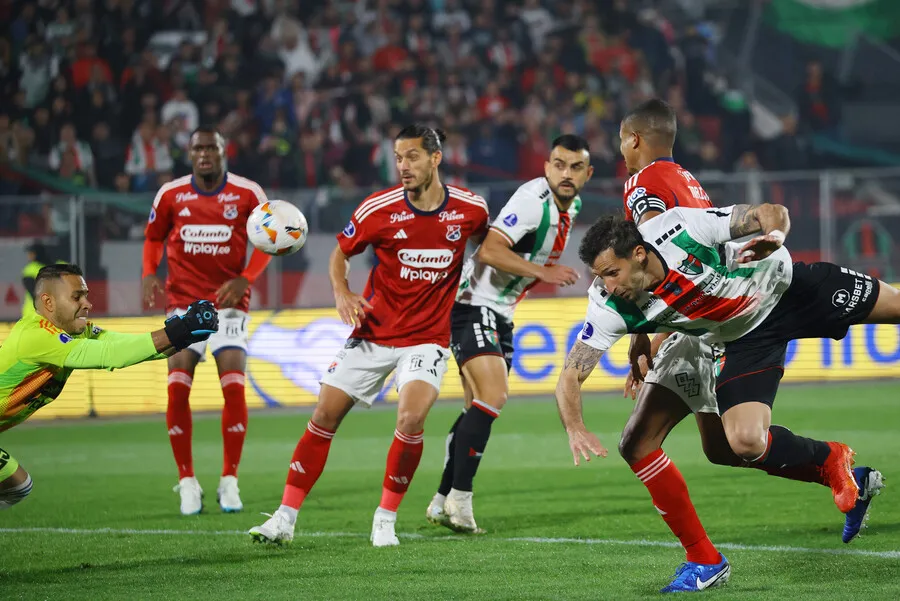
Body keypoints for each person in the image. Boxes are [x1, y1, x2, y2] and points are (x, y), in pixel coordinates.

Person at [558, 205, 900, 591]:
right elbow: (570, 374)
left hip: (793, 290)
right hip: (747, 340)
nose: (606, 285)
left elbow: (773, 213)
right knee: (744, 443)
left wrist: (774, 237)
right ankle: (833, 459)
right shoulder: (609, 304)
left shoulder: (680, 229)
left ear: (638, 253)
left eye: (611, 273)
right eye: (599, 276)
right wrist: (575, 427)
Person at [617, 97, 882, 573]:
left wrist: (648, 327)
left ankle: (704, 560)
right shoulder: (683, 179)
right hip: (733, 307)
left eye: (621, 140)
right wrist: (646, 330)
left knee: (642, 441)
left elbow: (660, 257)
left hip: (719, 318)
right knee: (724, 447)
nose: (620, 150)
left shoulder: (640, 185)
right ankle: (837, 468)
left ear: (634, 139)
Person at [249, 125, 490, 547]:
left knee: (411, 417)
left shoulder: (471, 209)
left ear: (436, 158)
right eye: (398, 157)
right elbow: (340, 252)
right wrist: (342, 291)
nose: (403, 166)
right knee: (324, 416)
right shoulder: (377, 209)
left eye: (412, 156)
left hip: (426, 338)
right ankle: (284, 518)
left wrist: (481, 286)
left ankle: (384, 519)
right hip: (374, 332)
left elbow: (490, 246)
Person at [425, 134, 593, 533]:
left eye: (574, 167)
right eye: (558, 164)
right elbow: (488, 250)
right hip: (472, 305)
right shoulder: (531, 202)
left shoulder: (572, 205)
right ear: (546, 165)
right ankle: (461, 503)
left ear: (588, 173)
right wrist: (543, 272)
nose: (565, 174)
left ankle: (440, 500)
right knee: (494, 396)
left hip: (500, 312)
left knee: (476, 409)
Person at [0, 264, 218, 510]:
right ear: (48, 302)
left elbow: (126, 345)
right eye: (76, 297)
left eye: (86, 295)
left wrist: (184, 336)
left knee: (17, 486)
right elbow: (111, 354)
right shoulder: (36, 335)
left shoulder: (74, 332)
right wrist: (181, 328)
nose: (87, 304)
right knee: (18, 484)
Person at [142, 126, 272, 515]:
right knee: (178, 388)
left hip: (229, 303)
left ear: (223, 151)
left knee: (233, 387)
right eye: (197, 148)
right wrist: (150, 272)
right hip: (182, 301)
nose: (204, 154)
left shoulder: (249, 193)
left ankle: (229, 481)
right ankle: (187, 483)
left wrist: (245, 278)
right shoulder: (171, 193)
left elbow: (268, 239)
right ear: (190, 153)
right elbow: (153, 237)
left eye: (210, 148)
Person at [21, 242, 51, 318]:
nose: (29, 255)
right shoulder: (55, 267)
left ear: (37, 254)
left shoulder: (30, 269)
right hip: (51, 311)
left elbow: (33, 293)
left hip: (33, 312)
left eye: (31, 253)